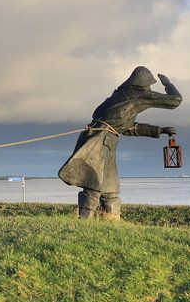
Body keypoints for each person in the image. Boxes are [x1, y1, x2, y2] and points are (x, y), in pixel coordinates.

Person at [58, 66, 181, 220]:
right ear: (143, 82)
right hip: (98, 142)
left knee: (111, 188)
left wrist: (159, 130)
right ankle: (85, 221)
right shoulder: (137, 94)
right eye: (149, 84)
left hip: (104, 140)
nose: (150, 88)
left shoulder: (120, 95)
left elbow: (126, 127)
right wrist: (168, 83)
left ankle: (111, 219)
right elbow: (175, 100)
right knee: (94, 184)